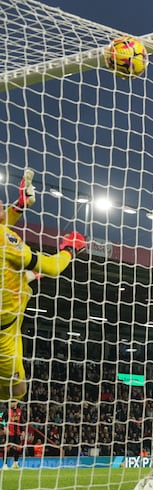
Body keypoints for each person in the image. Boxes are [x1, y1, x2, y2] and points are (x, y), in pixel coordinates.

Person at [0, 169, 86, 400]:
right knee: (17, 391)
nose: (1, 204)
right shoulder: (6, 241)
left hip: (10, 321)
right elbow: (52, 267)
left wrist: (20, 205)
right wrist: (70, 249)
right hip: (4, 333)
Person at [2, 400, 23, 469]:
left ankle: (15, 463)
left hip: (18, 433)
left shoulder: (19, 411)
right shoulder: (6, 411)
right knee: (7, 449)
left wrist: (22, 431)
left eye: (12, 402)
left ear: (16, 403)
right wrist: (4, 427)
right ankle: (5, 465)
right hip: (9, 433)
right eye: (10, 402)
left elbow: (21, 421)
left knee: (18, 448)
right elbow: (2, 420)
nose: (11, 404)